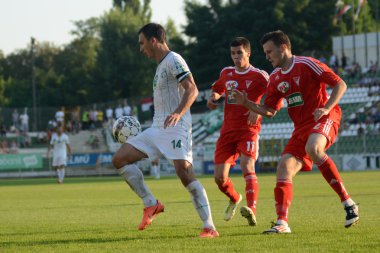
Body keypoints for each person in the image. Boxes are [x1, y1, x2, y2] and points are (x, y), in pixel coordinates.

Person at [232, 30, 359, 234]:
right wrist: (247, 103)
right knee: (283, 167)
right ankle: (282, 223)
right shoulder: (275, 78)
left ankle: (348, 203)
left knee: (313, 148)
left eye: (269, 51)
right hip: (301, 128)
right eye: (265, 52)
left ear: (283, 48)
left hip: (325, 117)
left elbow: (340, 84)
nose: (267, 56)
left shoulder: (306, 64)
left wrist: (326, 107)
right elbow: (271, 111)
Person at [112, 23, 218, 238]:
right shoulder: (160, 66)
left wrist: (178, 113)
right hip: (156, 128)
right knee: (120, 159)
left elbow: (193, 89)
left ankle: (209, 227)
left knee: (185, 174)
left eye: (142, 43)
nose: (141, 49)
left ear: (153, 40)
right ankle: (151, 203)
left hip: (176, 128)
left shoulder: (174, 60)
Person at [207, 37, 268, 226]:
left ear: (248, 53)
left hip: (248, 130)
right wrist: (213, 98)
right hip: (228, 131)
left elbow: (275, 98)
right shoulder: (227, 73)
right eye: (233, 53)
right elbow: (218, 89)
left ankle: (252, 210)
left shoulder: (260, 76)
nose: (235, 57)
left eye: (239, 53)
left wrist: (257, 110)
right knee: (219, 178)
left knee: (247, 166)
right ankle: (234, 198)